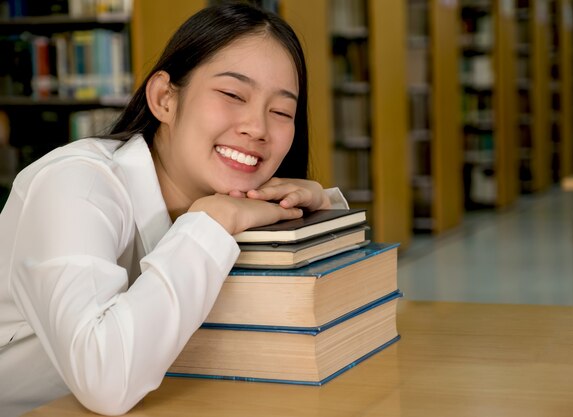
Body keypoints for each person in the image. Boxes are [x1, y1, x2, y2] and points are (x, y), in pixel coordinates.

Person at [0, 3, 348, 416]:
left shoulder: (232, 200)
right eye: (233, 94)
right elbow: (105, 380)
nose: (257, 128)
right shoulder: (76, 184)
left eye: (281, 112)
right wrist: (214, 223)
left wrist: (314, 215)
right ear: (164, 98)